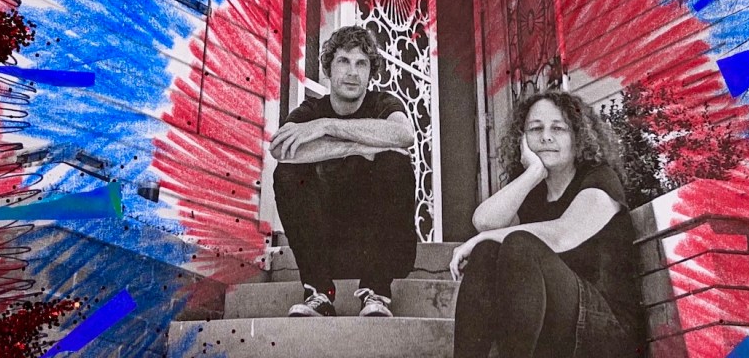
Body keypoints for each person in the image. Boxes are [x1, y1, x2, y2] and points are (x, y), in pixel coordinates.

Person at [450, 91, 645, 357]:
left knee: (520, 244)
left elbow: (562, 234)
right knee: (487, 252)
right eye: (535, 129)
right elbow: (484, 221)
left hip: (607, 331)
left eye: (558, 128)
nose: (546, 137)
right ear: (522, 139)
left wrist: (482, 238)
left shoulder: (600, 179)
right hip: (555, 329)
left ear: (578, 137)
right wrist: (533, 173)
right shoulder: (535, 192)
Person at [270, 25, 417, 318]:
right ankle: (319, 293)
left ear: (370, 72)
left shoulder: (383, 104)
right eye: (344, 61)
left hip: (383, 248)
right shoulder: (310, 111)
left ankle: (377, 293)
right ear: (328, 68)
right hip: (327, 248)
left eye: (361, 64)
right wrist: (362, 145)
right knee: (286, 173)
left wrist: (327, 127)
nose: (352, 72)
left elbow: (404, 135)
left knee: (395, 163)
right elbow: (281, 150)